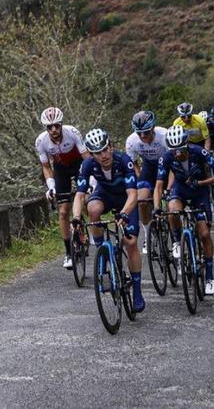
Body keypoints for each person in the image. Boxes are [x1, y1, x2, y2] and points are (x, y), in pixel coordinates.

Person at [74, 128, 144, 312]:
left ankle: (137, 290)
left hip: (125, 199)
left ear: (111, 147)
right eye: (97, 152)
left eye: (105, 149)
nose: (103, 155)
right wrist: (75, 218)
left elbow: (133, 194)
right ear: (91, 154)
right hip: (104, 194)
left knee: (130, 242)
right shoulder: (88, 165)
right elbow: (79, 195)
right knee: (92, 208)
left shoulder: (124, 161)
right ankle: (101, 249)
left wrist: (125, 213)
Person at [156, 125, 214, 296]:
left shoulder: (199, 152)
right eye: (174, 150)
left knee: (204, 235)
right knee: (172, 210)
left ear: (187, 144)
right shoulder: (166, 157)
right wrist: (158, 208)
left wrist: (203, 183)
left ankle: (210, 277)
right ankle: (176, 242)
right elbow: (159, 186)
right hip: (180, 190)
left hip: (200, 192)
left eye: (181, 149)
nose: (178, 154)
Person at [35, 107, 89, 269]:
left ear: (61, 124)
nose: (54, 130)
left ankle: (87, 230)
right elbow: (46, 167)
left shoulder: (72, 132)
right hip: (61, 169)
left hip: (79, 165)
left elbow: (86, 158)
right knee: (63, 211)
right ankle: (68, 252)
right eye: (49, 127)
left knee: (85, 198)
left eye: (56, 126)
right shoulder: (41, 141)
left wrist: (90, 180)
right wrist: (51, 187)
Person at [125, 110, 167, 256]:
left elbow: (175, 159)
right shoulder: (131, 141)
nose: (143, 136)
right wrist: (138, 176)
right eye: (139, 133)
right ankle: (149, 233)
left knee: (172, 199)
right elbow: (132, 162)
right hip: (148, 168)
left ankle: (176, 236)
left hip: (168, 167)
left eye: (146, 132)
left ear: (153, 128)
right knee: (141, 200)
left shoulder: (164, 136)